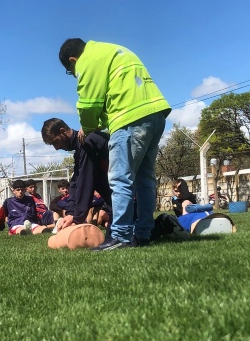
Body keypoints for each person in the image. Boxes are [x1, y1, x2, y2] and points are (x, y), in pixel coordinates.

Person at [58, 39, 171, 251]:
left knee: (120, 178)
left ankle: (121, 236)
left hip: (129, 118)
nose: (74, 74)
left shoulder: (87, 61)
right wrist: (98, 123)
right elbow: (110, 98)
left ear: (73, 60)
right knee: (144, 178)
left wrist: (88, 127)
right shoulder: (110, 50)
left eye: (70, 71)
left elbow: (89, 105)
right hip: (155, 113)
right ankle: (144, 232)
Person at [41, 118, 112, 230]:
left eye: (55, 141)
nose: (56, 148)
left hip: (128, 197)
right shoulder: (79, 148)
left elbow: (86, 183)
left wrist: (76, 218)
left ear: (63, 131)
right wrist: (70, 213)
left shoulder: (87, 142)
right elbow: (75, 182)